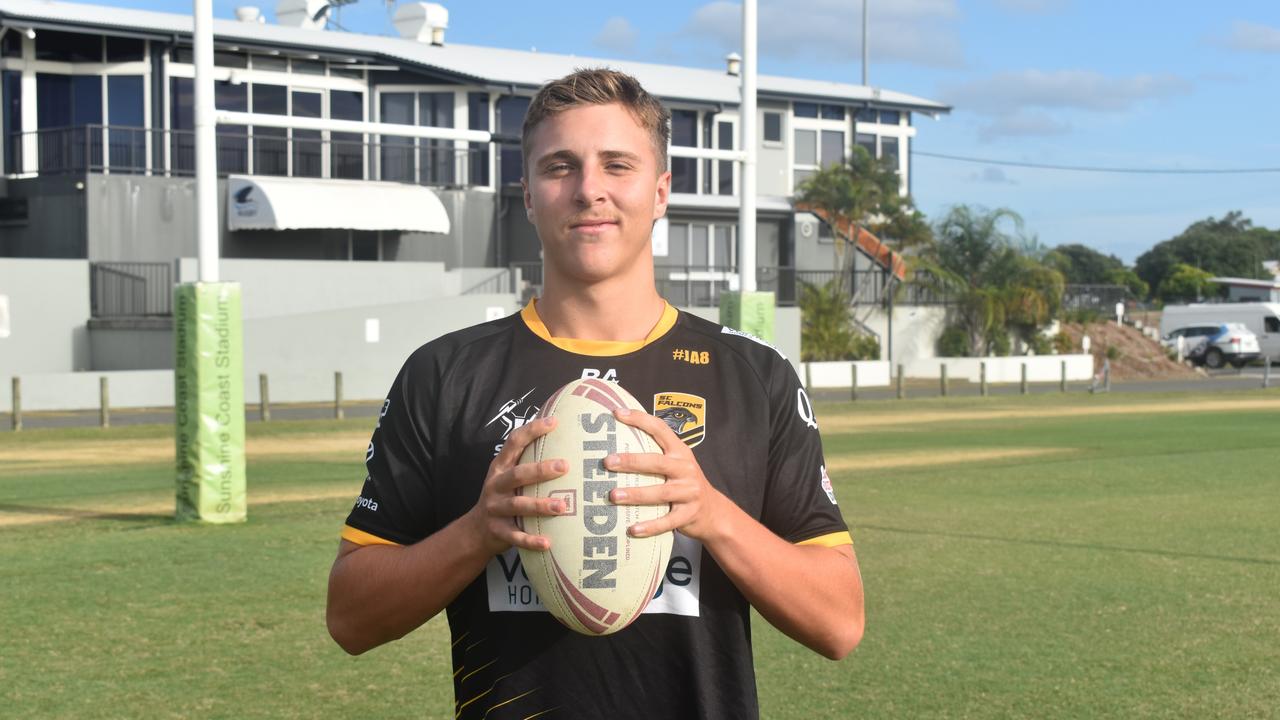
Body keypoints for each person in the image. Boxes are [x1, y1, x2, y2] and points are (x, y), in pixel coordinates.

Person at [327, 68, 864, 720]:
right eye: (561, 167)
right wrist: (477, 532)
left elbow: (840, 623)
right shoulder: (445, 376)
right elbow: (351, 618)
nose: (589, 190)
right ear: (529, 195)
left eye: (617, 165)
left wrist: (713, 516)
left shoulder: (753, 377)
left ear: (661, 190)